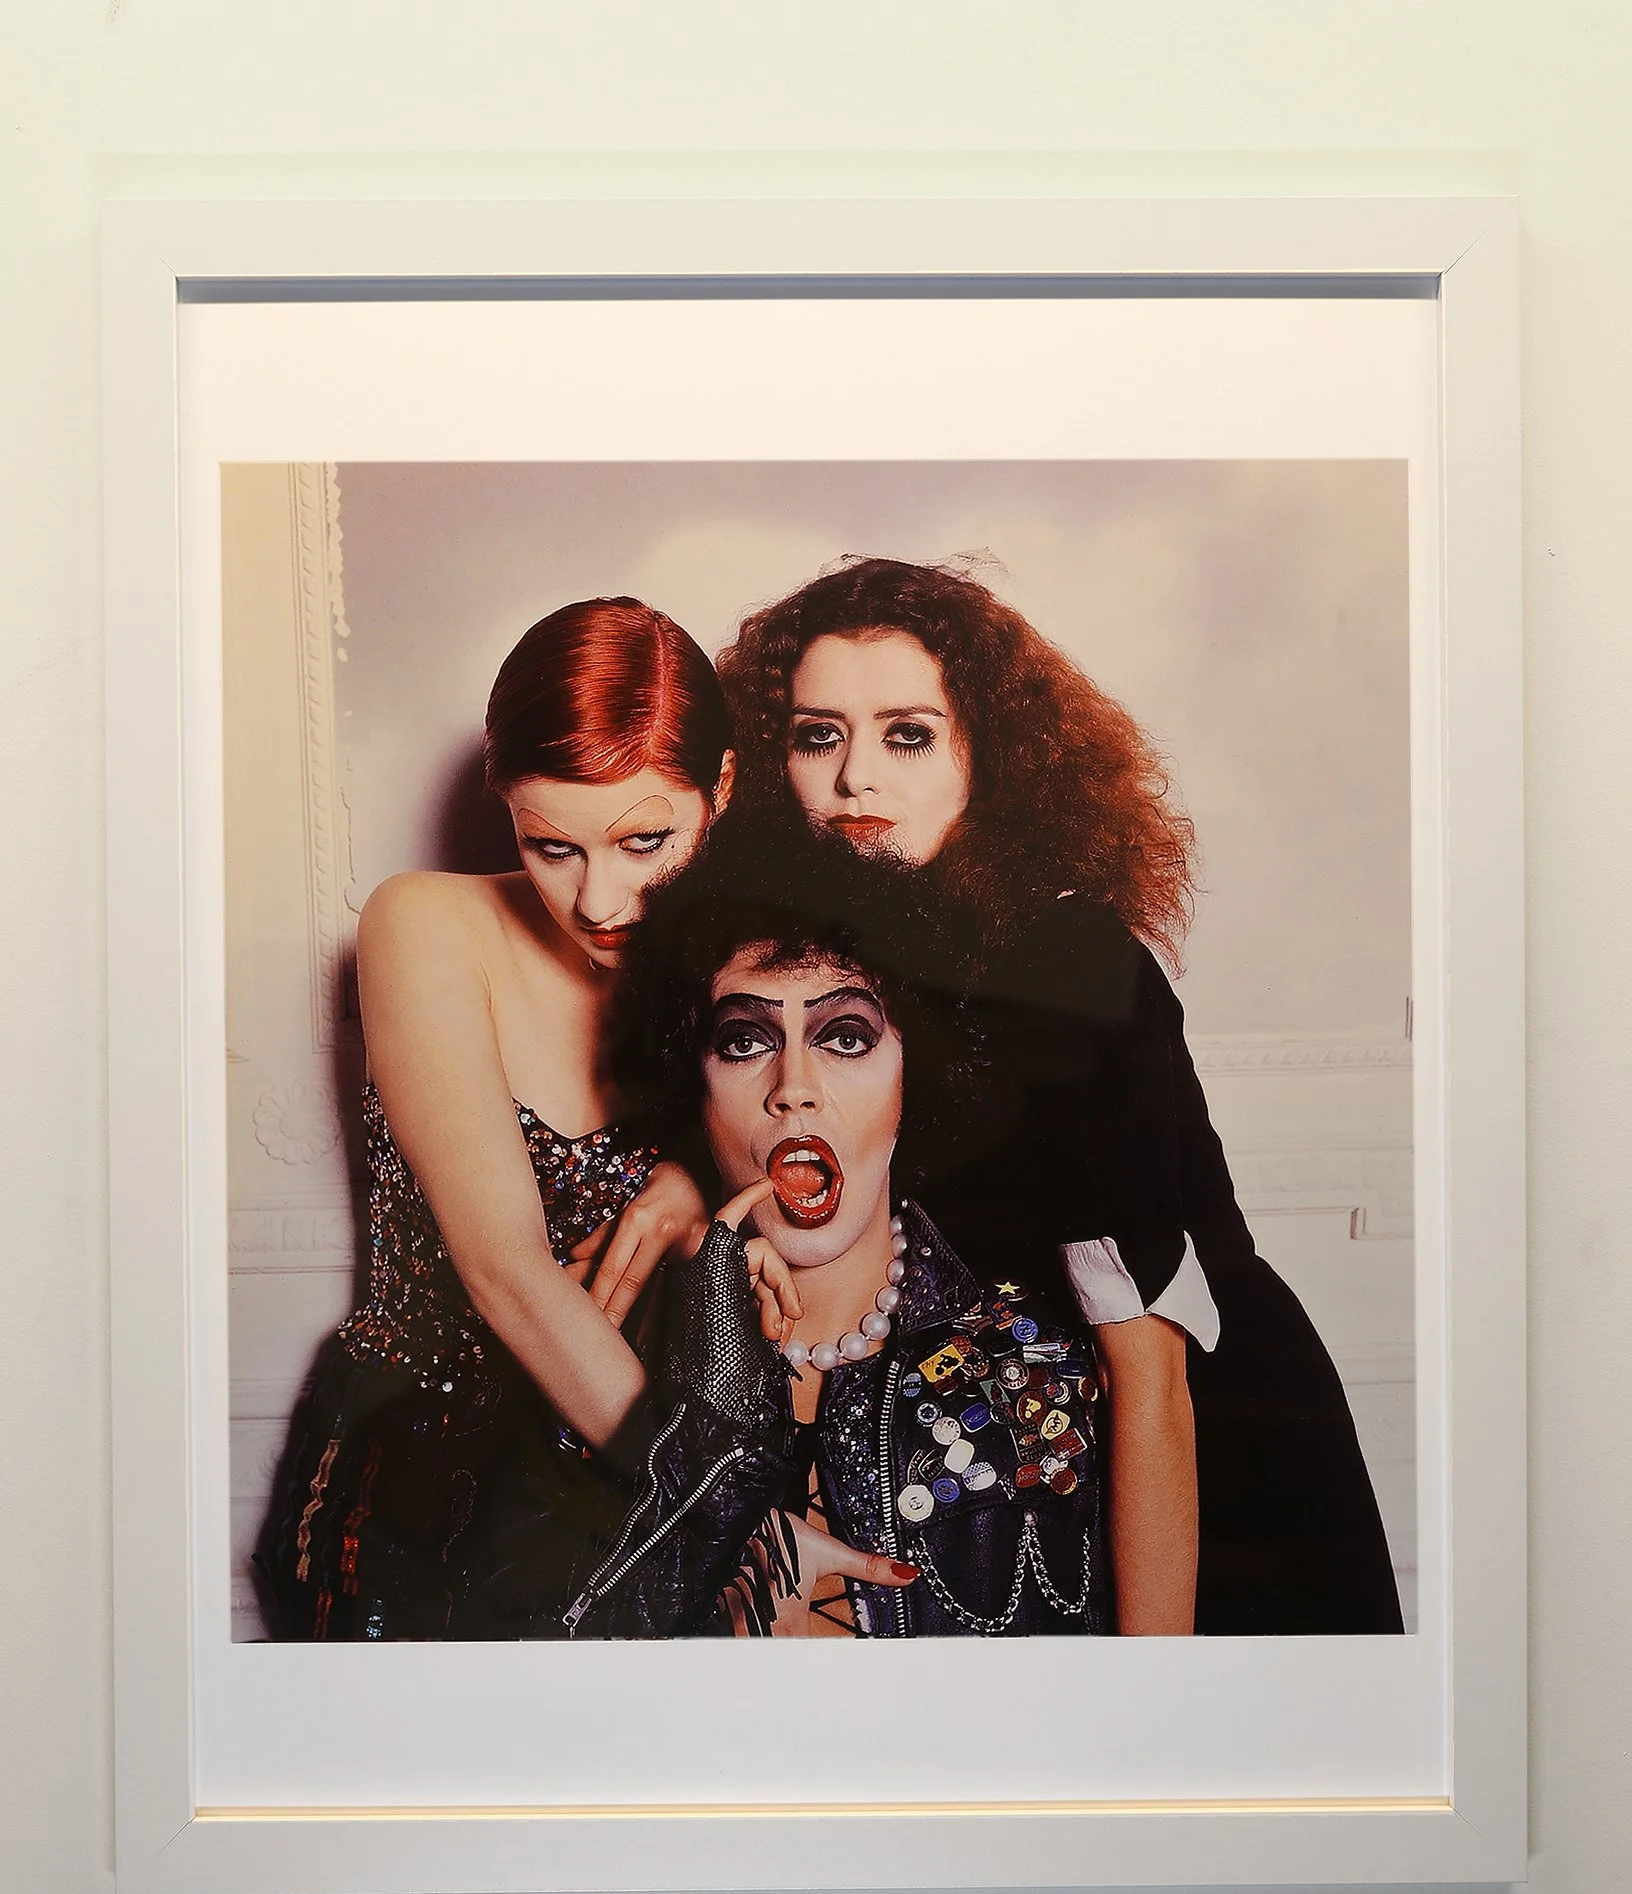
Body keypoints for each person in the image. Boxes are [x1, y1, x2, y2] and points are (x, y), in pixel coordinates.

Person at [714, 556, 1403, 1635]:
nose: (856, 779)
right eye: (817, 736)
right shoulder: (840, 955)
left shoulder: (1069, 963)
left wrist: (1143, 1692)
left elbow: (1149, 1361)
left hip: (1202, 1448)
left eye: (907, 735)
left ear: (988, 758)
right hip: (1029, 1448)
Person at [256, 596, 759, 1639]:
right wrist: (740, 1533)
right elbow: (505, 1271)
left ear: (723, 788)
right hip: (424, 1489)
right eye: (553, 847)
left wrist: (695, 1178)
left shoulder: (750, 969)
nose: (601, 901)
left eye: (644, 841)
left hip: (648, 1470)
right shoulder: (425, 923)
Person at [575, 829, 1118, 1640]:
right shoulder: (605, 1360)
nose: (794, 1087)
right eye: (744, 1040)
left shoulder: (1039, 1377)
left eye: (846, 1036)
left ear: (914, 1075)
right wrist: (713, 1439)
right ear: (695, 1089)